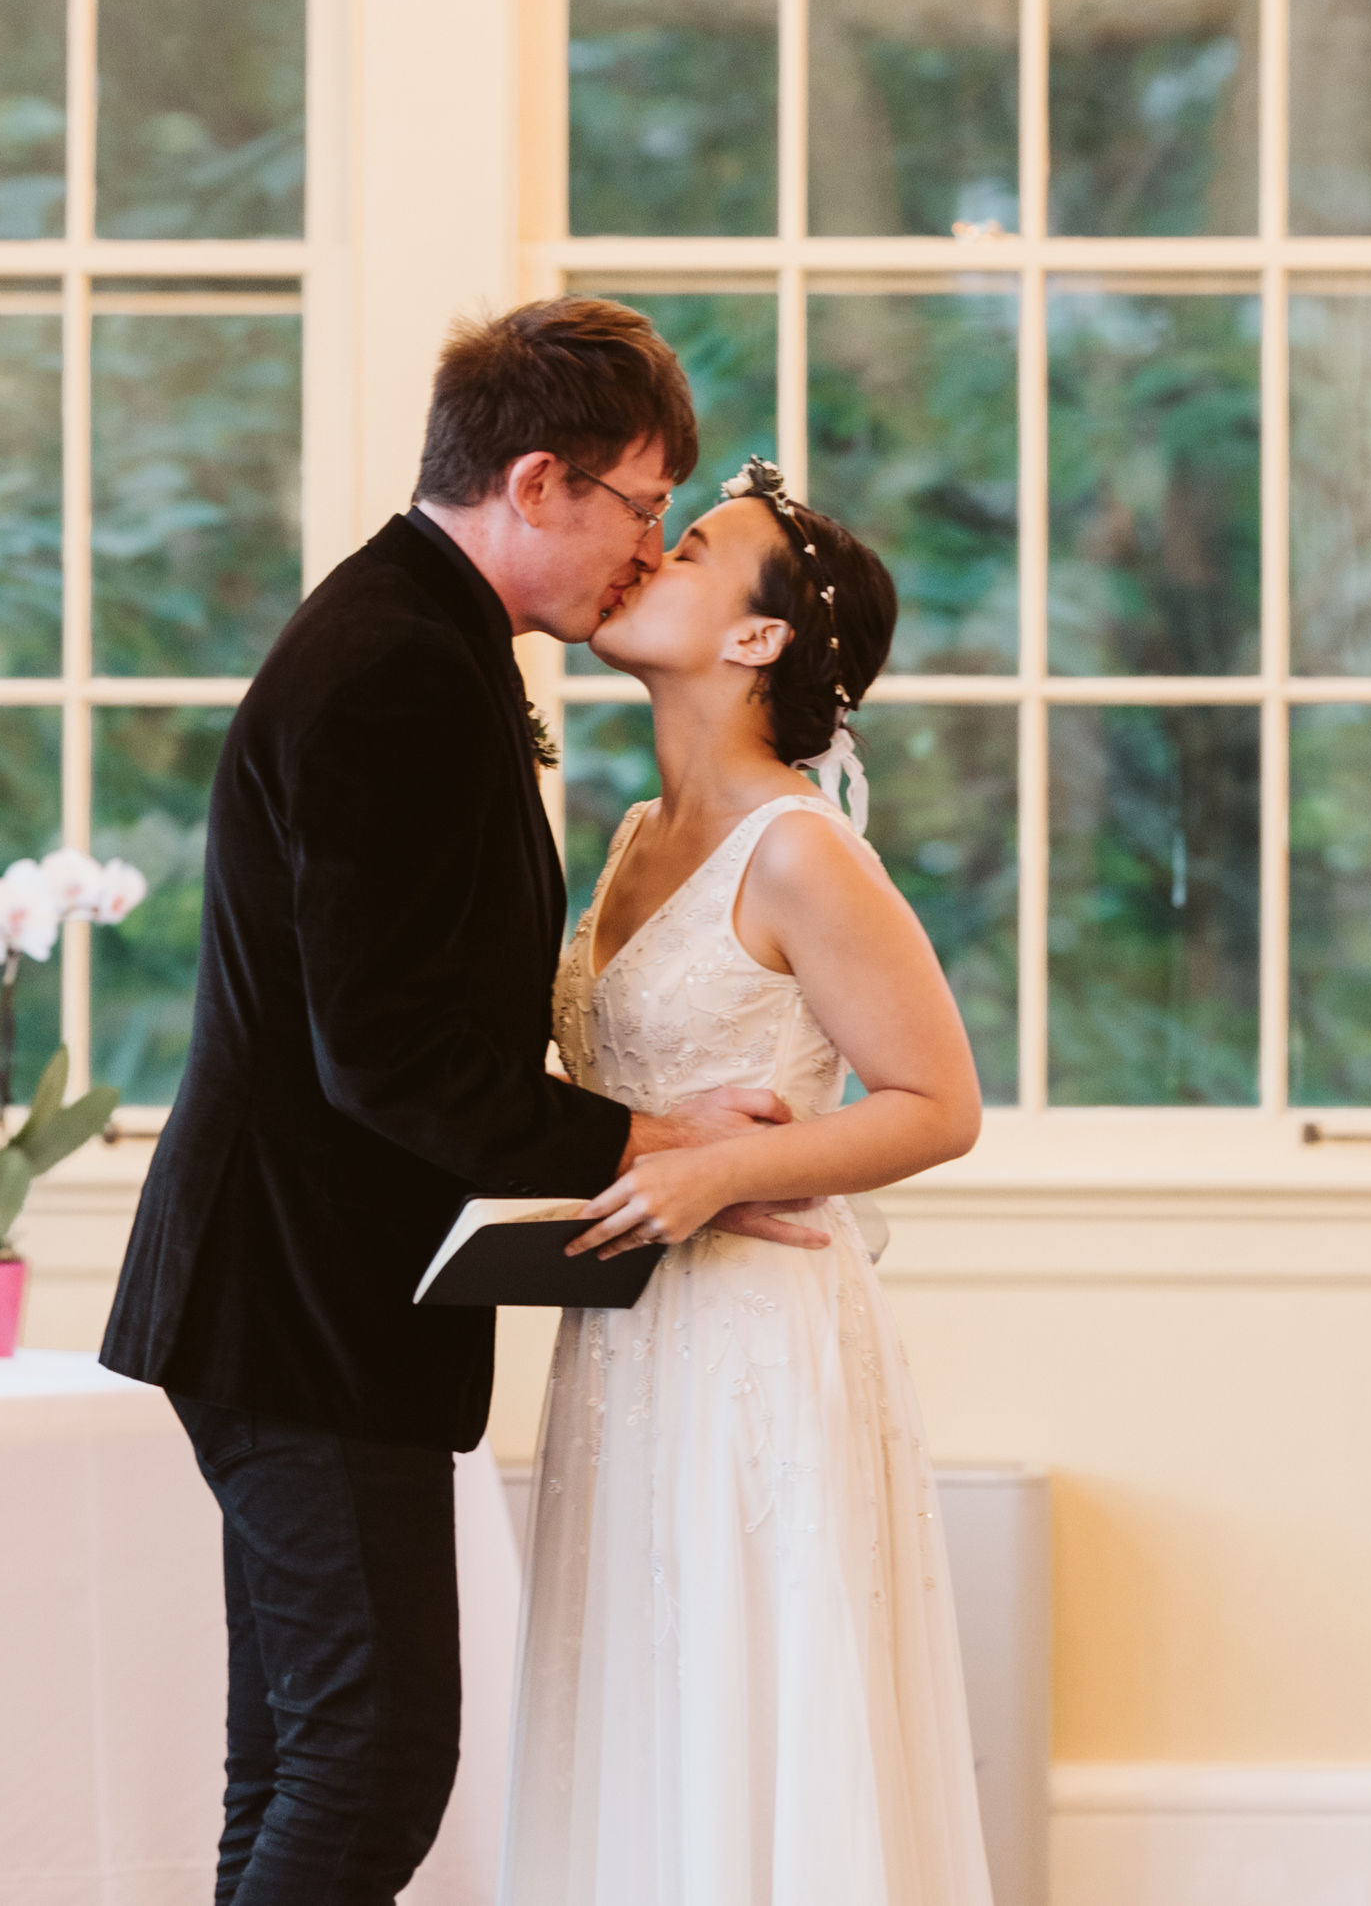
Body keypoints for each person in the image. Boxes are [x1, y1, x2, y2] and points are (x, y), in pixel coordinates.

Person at [100, 302, 817, 1906]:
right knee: (370, 1769)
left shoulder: (420, 635)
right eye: (642, 508)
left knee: (297, 1764)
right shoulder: (396, 669)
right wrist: (664, 1143)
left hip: (290, 1298)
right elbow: (395, 1057)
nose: (646, 552)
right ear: (541, 479)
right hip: (303, 1305)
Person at [499, 456, 993, 1906]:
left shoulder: (802, 853)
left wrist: (731, 1175)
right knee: (642, 1712)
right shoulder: (635, 842)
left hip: (756, 1351)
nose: (650, 553)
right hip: (627, 1339)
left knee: (750, 1711)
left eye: (695, 547)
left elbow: (939, 1104)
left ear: (759, 638)